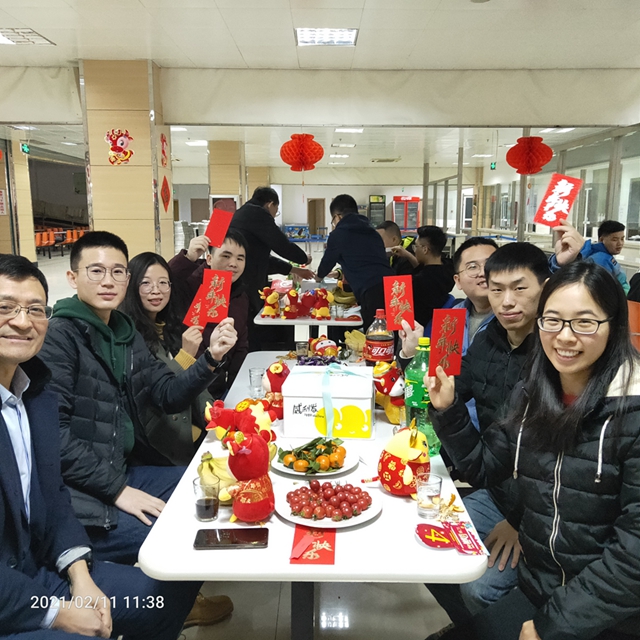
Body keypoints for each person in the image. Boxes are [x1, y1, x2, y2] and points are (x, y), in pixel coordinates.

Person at [427, 261, 640, 640]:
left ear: (615, 325)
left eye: (585, 322)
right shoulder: (533, 393)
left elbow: (633, 556)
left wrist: (552, 625)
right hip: (540, 587)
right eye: (553, 320)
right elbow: (486, 468)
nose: (565, 337)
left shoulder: (631, 413)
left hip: (610, 612)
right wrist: (448, 410)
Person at [38, 231, 236, 626]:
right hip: (82, 495)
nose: (108, 281)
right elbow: (54, 438)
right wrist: (118, 491)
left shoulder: (124, 331)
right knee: (186, 539)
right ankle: (168, 615)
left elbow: (165, 394)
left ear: (125, 279)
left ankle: (176, 609)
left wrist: (211, 359)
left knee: (207, 485)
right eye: (96, 271)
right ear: (73, 278)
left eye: (117, 272)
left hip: (119, 468)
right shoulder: (61, 336)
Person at [0, 253, 200, 639]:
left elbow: (52, 495)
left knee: (163, 596)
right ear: (73, 277)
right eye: (6, 307)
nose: (22, 322)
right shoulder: (65, 338)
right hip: (18, 594)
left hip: (44, 565)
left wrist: (80, 576)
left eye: (35, 310)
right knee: (176, 540)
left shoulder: (34, 393)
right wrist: (56, 612)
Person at [420, 238, 583, 638]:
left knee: (481, 587)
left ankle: (499, 624)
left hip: (542, 508)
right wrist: (432, 391)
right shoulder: (489, 339)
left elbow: (563, 465)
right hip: (497, 486)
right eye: (497, 289)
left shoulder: (557, 355)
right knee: (423, 545)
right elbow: (455, 387)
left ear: (546, 288)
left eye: (519, 288)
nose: (507, 301)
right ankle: (477, 627)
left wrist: (519, 521)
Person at [120, 252, 216, 466]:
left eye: (163, 283)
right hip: (160, 448)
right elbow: (160, 392)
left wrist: (216, 414)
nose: (156, 290)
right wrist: (186, 356)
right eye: (146, 283)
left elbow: (196, 385)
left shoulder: (169, 326)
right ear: (131, 286)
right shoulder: (129, 335)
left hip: (193, 431)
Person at [229, 186, 315, 349]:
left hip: (239, 280)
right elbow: (281, 244)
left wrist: (294, 269)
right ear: (270, 204)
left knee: (247, 325)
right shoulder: (258, 214)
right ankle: (253, 355)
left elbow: (260, 258)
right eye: (276, 210)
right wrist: (303, 258)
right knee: (251, 326)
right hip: (246, 283)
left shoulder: (241, 214)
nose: (275, 215)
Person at [168, 228, 249, 391]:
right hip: (185, 381)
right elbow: (166, 279)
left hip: (220, 385)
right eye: (226, 256)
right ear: (209, 259)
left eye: (240, 258)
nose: (233, 263)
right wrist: (188, 257)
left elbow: (241, 344)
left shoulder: (240, 295)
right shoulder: (190, 282)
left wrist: (235, 388)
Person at [411, 225, 455, 329]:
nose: (414, 251)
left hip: (420, 329)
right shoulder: (449, 268)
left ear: (425, 249)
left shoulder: (419, 282)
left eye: (416, 246)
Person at [580, 219, 629, 293]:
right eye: (615, 240)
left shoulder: (605, 256)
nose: (620, 243)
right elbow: (603, 291)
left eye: (622, 239)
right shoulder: (600, 260)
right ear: (601, 240)